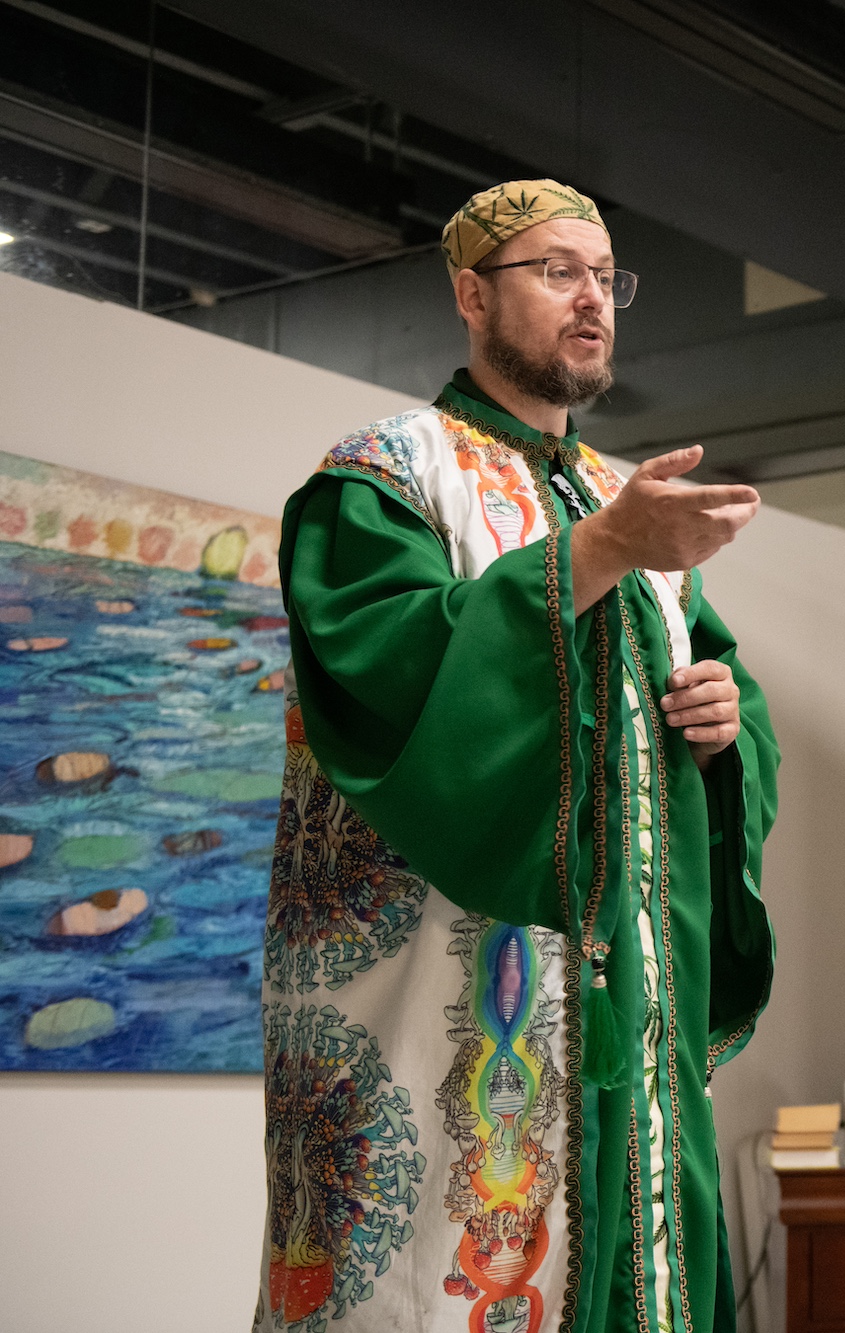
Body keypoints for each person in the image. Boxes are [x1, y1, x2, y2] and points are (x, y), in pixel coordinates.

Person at [256, 179, 779, 1333]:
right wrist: (591, 553)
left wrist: (719, 720)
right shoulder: (385, 478)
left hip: (620, 1011)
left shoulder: (621, 500)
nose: (590, 299)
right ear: (469, 295)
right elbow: (385, 676)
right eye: (555, 271)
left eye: (605, 277)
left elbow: (722, 689)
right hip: (444, 1002)